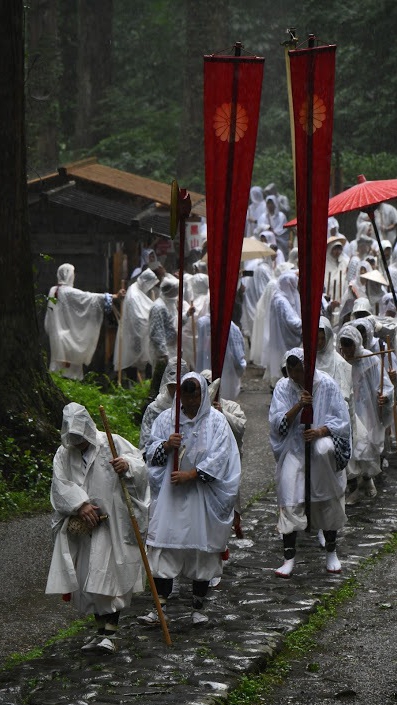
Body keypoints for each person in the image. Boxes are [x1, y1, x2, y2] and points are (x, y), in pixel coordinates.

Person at [45, 403, 149, 652]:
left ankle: (110, 634)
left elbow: (140, 465)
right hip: (85, 526)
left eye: (80, 437)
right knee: (87, 579)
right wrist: (80, 505)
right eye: (72, 437)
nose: (77, 442)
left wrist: (127, 466)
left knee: (109, 575)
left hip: (112, 522)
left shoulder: (111, 443)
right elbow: (59, 484)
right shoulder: (63, 453)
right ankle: (100, 630)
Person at [138, 372, 241, 624]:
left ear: (202, 394)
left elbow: (221, 456)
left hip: (201, 496)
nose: (190, 402)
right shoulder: (166, 420)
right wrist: (165, 446)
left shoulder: (216, 422)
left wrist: (192, 474)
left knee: (200, 549)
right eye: (185, 395)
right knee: (164, 544)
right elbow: (149, 451)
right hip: (171, 495)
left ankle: (197, 607)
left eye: (194, 395)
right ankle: (159, 608)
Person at [269, 348, 351, 578]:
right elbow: (278, 425)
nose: (295, 375)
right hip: (293, 450)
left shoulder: (326, 384)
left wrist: (320, 432)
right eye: (292, 370)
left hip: (320, 450)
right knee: (289, 496)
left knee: (326, 496)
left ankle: (332, 552)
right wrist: (298, 406)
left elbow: (342, 422)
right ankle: (288, 558)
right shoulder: (283, 388)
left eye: (300, 370)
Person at [337, 324, 393, 504]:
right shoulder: (340, 361)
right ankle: (355, 484)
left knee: (366, 445)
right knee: (352, 447)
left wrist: (385, 396)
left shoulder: (371, 359)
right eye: (344, 347)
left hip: (366, 409)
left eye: (350, 346)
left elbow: (384, 384)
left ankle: (366, 479)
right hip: (348, 409)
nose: (347, 351)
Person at [44, 263, 125, 380]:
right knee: (69, 370)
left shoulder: (53, 290)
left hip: (56, 335)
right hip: (67, 340)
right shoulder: (67, 292)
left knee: (58, 369)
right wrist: (115, 296)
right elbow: (88, 298)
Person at [113, 268, 158, 379]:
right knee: (134, 364)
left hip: (138, 335)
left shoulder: (137, 290)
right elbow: (139, 318)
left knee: (140, 363)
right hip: (135, 336)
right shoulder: (134, 294)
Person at [139, 357, 189, 453]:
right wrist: (165, 445)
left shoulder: (191, 408)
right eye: (171, 386)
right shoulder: (155, 408)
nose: (175, 391)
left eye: (179, 386)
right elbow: (146, 444)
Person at [196, 313, 246, 400]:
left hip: (204, 375)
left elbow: (199, 351)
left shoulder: (202, 323)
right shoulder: (232, 328)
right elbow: (238, 359)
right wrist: (240, 370)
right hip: (227, 378)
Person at [265, 270, 302, 389]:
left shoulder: (277, 297)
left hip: (279, 338)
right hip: (283, 340)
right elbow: (293, 323)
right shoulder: (282, 301)